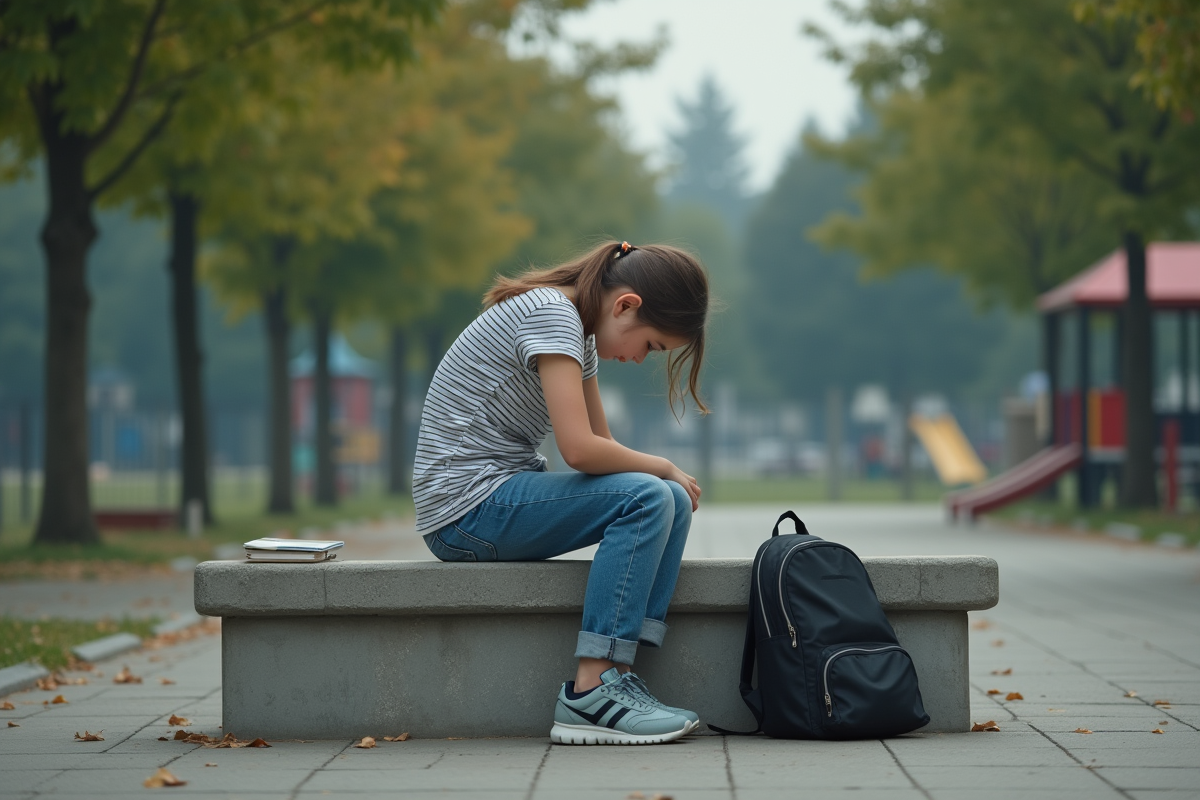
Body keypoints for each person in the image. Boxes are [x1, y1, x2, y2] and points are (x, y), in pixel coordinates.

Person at [413, 240, 710, 745]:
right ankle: (591, 691)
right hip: (464, 510)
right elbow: (579, 450)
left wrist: (662, 478)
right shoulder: (551, 315)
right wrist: (662, 465)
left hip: (495, 495)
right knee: (651, 493)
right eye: (652, 346)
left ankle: (619, 673)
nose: (640, 360)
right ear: (626, 305)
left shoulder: (580, 330)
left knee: (670, 499)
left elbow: (602, 446)